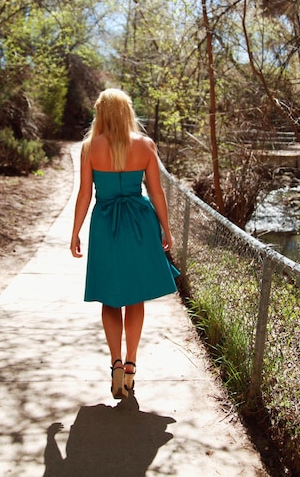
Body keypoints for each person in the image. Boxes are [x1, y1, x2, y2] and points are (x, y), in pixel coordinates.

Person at [70, 88, 179, 400]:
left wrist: (75, 232)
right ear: (127, 112)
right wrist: (166, 229)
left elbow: (84, 194)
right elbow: (156, 192)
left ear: (101, 113)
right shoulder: (145, 145)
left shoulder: (90, 147)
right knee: (135, 296)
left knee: (109, 297)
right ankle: (131, 366)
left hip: (105, 223)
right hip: (140, 223)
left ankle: (115, 363)